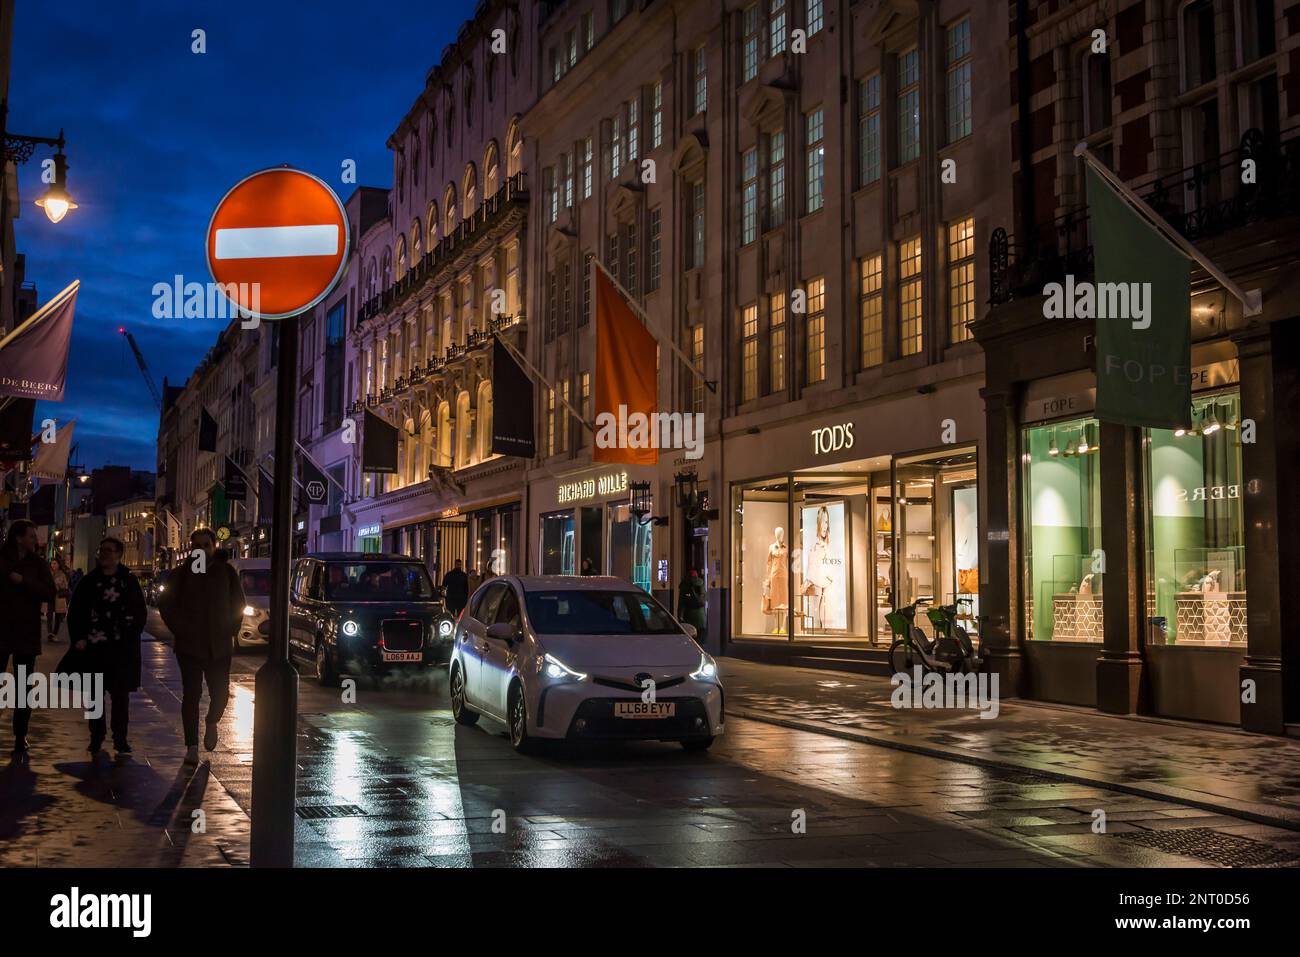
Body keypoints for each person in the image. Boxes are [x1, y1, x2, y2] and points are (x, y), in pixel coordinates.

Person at [159, 529, 245, 763]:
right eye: (197, 545)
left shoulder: (226, 572)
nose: (201, 549)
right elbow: (166, 605)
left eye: (206, 545)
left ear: (214, 546)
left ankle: (212, 721)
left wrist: (231, 630)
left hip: (219, 646)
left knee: (221, 694)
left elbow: (238, 602)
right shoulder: (182, 574)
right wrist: (181, 629)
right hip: (190, 647)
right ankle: (192, 746)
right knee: (191, 695)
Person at [69, 537, 146, 758]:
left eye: (109, 550)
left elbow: (139, 613)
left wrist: (131, 635)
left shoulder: (128, 581)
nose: (104, 554)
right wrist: (79, 637)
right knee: (95, 695)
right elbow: (76, 611)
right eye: (101, 550)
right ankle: (96, 736)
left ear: (119, 555)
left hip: (121, 648)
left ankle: (120, 738)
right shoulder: (89, 581)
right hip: (95, 647)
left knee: (120, 696)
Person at [0, 520, 56, 759]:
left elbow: (49, 592)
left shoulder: (38, 563)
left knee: (24, 686)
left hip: (26, 630)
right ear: (18, 538)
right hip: (1, 629)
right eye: (31, 536)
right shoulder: (1, 559)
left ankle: (20, 734)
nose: (36, 540)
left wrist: (24, 582)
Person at [678, 567, 708, 641]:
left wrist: (680, 616)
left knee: (689, 640)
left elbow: (681, 603)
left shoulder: (684, 585)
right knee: (700, 640)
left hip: (689, 617)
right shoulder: (701, 583)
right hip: (701, 618)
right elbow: (705, 598)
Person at [49, 557, 70, 642]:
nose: (53, 565)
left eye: (55, 563)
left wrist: (58, 586)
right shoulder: (48, 573)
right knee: (49, 614)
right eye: (52, 563)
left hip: (58, 596)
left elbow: (65, 586)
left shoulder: (62, 574)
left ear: (58, 565)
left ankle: (54, 633)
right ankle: (50, 633)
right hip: (50, 596)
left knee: (58, 615)